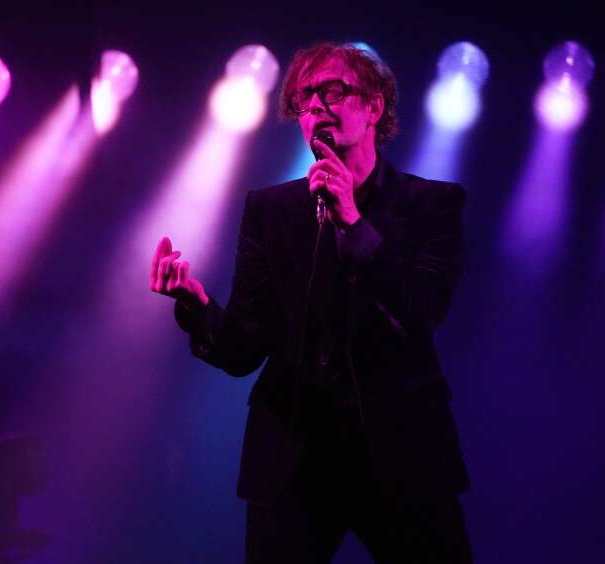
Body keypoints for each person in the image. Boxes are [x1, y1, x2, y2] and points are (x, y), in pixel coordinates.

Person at [150, 42, 472, 563]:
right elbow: (244, 349)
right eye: (304, 99)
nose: (317, 107)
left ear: (375, 106)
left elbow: (422, 311)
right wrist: (195, 303)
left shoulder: (433, 204)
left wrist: (354, 222)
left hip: (402, 453)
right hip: (294, 454)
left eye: (333, 91)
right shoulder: (270, 209)